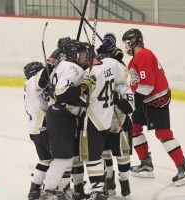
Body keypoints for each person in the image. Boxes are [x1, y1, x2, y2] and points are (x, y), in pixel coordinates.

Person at [122, 28, 185, 186]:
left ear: (134, 42)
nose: (126, 47)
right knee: (134, 127)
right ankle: (146, 164)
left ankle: (184, 168)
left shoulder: (144, 55)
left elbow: (148, 85)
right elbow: (139, 83)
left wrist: (133, 102)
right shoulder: (138, 58)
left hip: (156, 100)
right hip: (147, 99)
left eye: (127, 44)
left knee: (163, 133)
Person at [40, 40, 95, 200]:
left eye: (85, 54)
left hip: (59, 115)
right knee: (62, 159)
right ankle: (47, 192)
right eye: (81, 54)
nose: (84, 57)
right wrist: (83, 87)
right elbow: (63, 94)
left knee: (67, 157)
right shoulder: (74, 68)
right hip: (61, 117)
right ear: (72, 55)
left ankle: (60, 190)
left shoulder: (63, 65)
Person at [96, 33, 134, 198]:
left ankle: (124, 184)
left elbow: (129, 107)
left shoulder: (122, 84)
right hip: (103, 121)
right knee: (105, 153)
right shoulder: (104, 68)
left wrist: (117, 99)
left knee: (121, 155)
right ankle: (109, 180)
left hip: (120, 122)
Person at [23, 61, 52, 200]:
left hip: (35, 129)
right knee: (57, 161)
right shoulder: (33, 81)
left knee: (45, 160)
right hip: (43, 127)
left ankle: (34, 191)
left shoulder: (29, 85)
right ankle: (51, 191)